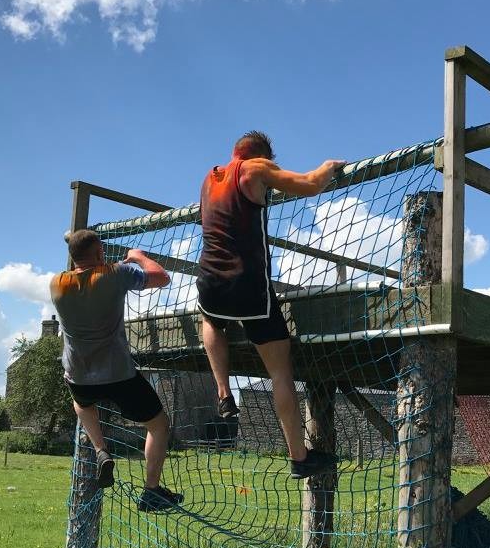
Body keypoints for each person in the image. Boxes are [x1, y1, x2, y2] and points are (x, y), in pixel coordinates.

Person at [196, 130, 346, 479]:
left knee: (210, 319)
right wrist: (328, 167)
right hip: (247, 285)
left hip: (209, 280)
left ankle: (223, 391)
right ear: (263, 155)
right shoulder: (256, 168)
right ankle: (299, 457)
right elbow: (310, 184)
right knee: (280, 370)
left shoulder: (210, 178)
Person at [51, 229, 183, 512]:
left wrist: (77, 243)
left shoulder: (57, 284)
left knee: (81, 404)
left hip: (79, 376)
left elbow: (85, 263)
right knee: (158, 426)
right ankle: (152, 491)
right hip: (119, 375)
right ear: (100, 253)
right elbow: (162, 277)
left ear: (72, 258)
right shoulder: (116, 274)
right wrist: (138, 257)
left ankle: (101, 450)